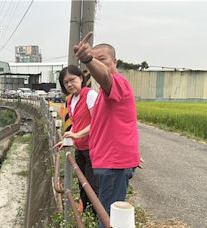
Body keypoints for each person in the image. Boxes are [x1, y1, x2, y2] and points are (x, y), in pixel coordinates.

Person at [74, 32, 141, 227]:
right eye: (95, 60)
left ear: (115, 61)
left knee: (108, 218)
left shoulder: (116, 83)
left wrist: (87, 59)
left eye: (102, 60)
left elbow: (105, 76)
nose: (100, 65)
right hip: (110, 162)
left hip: (113, 165)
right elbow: (121, 125)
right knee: (106, 212)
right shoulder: (103, 94)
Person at [54, 65, 98, 213]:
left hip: (93, 149)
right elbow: (76, 125)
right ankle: (85, 213)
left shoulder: (90, 95)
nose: (69, 84)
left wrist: (77, 135)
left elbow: (98, 122)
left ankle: (95, 215)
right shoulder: (71, 100)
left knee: (92, 185)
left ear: (80, 77)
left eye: (72, 80)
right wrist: (67, 139)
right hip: (80, 148)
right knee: (82, 182)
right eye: (65, 83)